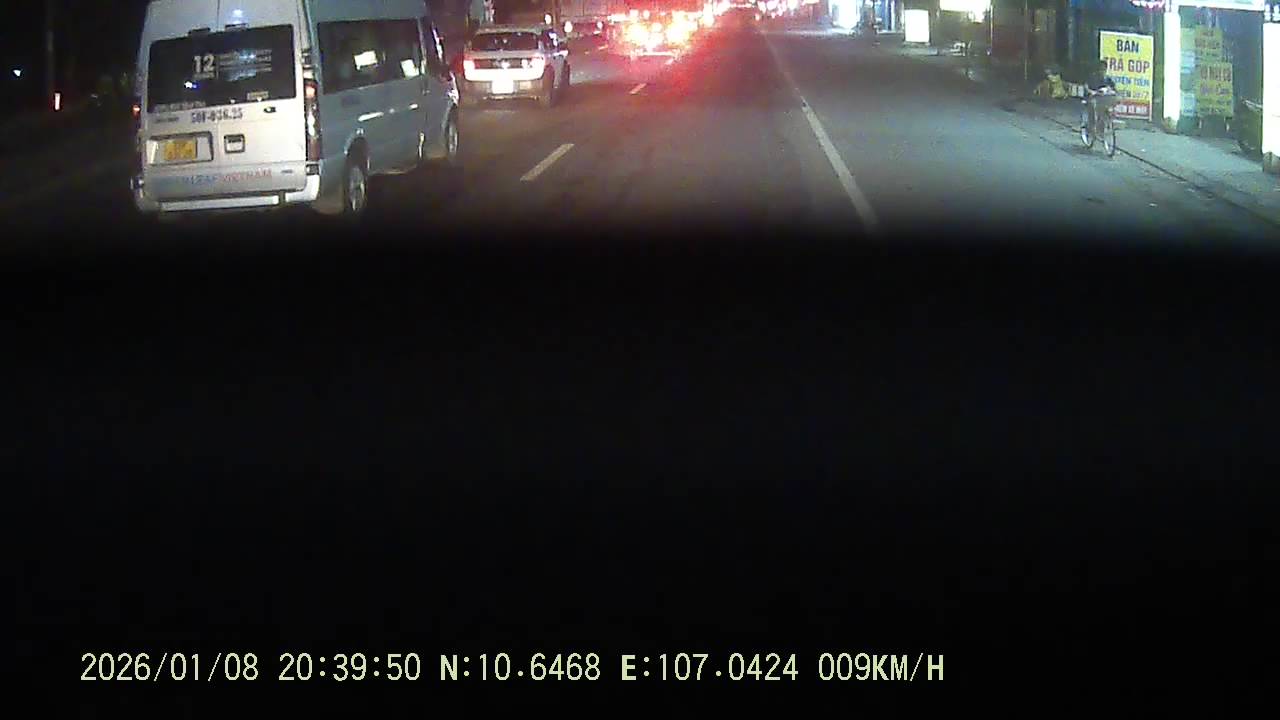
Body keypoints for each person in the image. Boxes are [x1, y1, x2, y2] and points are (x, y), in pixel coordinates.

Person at [1081, 60, 1116, 132]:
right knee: (1093, 106)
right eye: (1101, 69)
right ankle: (1091, 126)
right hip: (1092, 98)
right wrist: (1092, 92)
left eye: (1104, 69)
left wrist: (1109, 90)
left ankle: (1103, 126)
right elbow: (1086, 87)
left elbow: (1113, 89)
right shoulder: (1092, 78)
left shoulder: (1107, 79)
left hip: (1103, 100)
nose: (1102, 71)